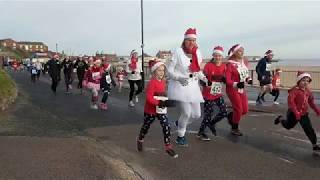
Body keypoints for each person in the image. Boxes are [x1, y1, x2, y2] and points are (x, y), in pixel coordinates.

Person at [167, 28, 207, 146]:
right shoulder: (178, 52)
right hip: (180, 86)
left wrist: (204, 78)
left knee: (197, 115)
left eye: (193, 40)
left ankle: (178, 123)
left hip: (193, 87)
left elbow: (197, 71)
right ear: (184, 40)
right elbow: (169, 71)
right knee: (187, 113)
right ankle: (180, 137)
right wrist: (178, 78)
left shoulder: (197, 53)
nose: (191, 42)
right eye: (189, 40)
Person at [136, 60, 178, 158]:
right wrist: (160, 102)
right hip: (150, 110)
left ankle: (168, 147)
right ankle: (140, 139)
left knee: (166, 126)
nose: (161, 72)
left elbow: (162, 95)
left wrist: (167, 102)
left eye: (163, 70)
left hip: (160, 110)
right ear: (155, 71)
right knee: (146, 127)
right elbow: (149, 98)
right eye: (159, 70)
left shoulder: (163, 82)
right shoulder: (152, 83)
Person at [274, 71, 320, 154]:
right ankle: (280, 119)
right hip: (293, 113)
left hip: (304, 114)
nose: (305, 82)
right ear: (299, 81)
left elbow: (311, 102)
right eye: (303, 80)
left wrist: (317, 111)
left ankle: (314, 145)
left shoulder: (308, 91)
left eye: (307, 80)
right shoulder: (294, 91)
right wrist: (296, 113)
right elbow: (291, 103)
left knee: (309, 129)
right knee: (288, 126)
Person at [197, 46, 228, 140]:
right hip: (208, 94)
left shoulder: (224, 66)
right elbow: (202, 80)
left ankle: (211, 123)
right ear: (213, 56)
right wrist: (206, 84)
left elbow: (224, 78)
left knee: (224, 112)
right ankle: (201, 133)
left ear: (222, 57)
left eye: (219, 56)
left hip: (217, 93)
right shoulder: (208, 66)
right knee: (208, 114)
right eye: (216, 55)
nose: (218, 57)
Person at [225, 44, 252, 136]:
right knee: (239, 109)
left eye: (242, 50)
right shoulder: (230, 64)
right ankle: (234, 128)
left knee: (244, 110)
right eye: (240, 51)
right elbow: (228, 80)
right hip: (232, 89)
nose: (242, 52)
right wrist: (236, 83)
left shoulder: (243, 63)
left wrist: (249, 79)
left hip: (241, 88)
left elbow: (245, 75)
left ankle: (230, 116)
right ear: (235, 53)